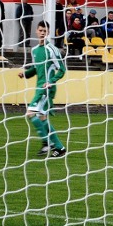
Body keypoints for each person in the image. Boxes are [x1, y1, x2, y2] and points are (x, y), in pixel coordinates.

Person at [18, 21, 67, 158]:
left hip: (46, 88)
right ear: (36, 31)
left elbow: (62, 70)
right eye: (40, 30)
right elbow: (36, 68)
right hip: (39, 87)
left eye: (45, 30)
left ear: (48, 32)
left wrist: (50, 82)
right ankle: (59, 148)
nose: (42, 32)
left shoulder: (52, 49)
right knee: (42, 117)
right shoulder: (34, 50)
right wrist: (25, 73)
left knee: (30, 113)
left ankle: (49, 143)